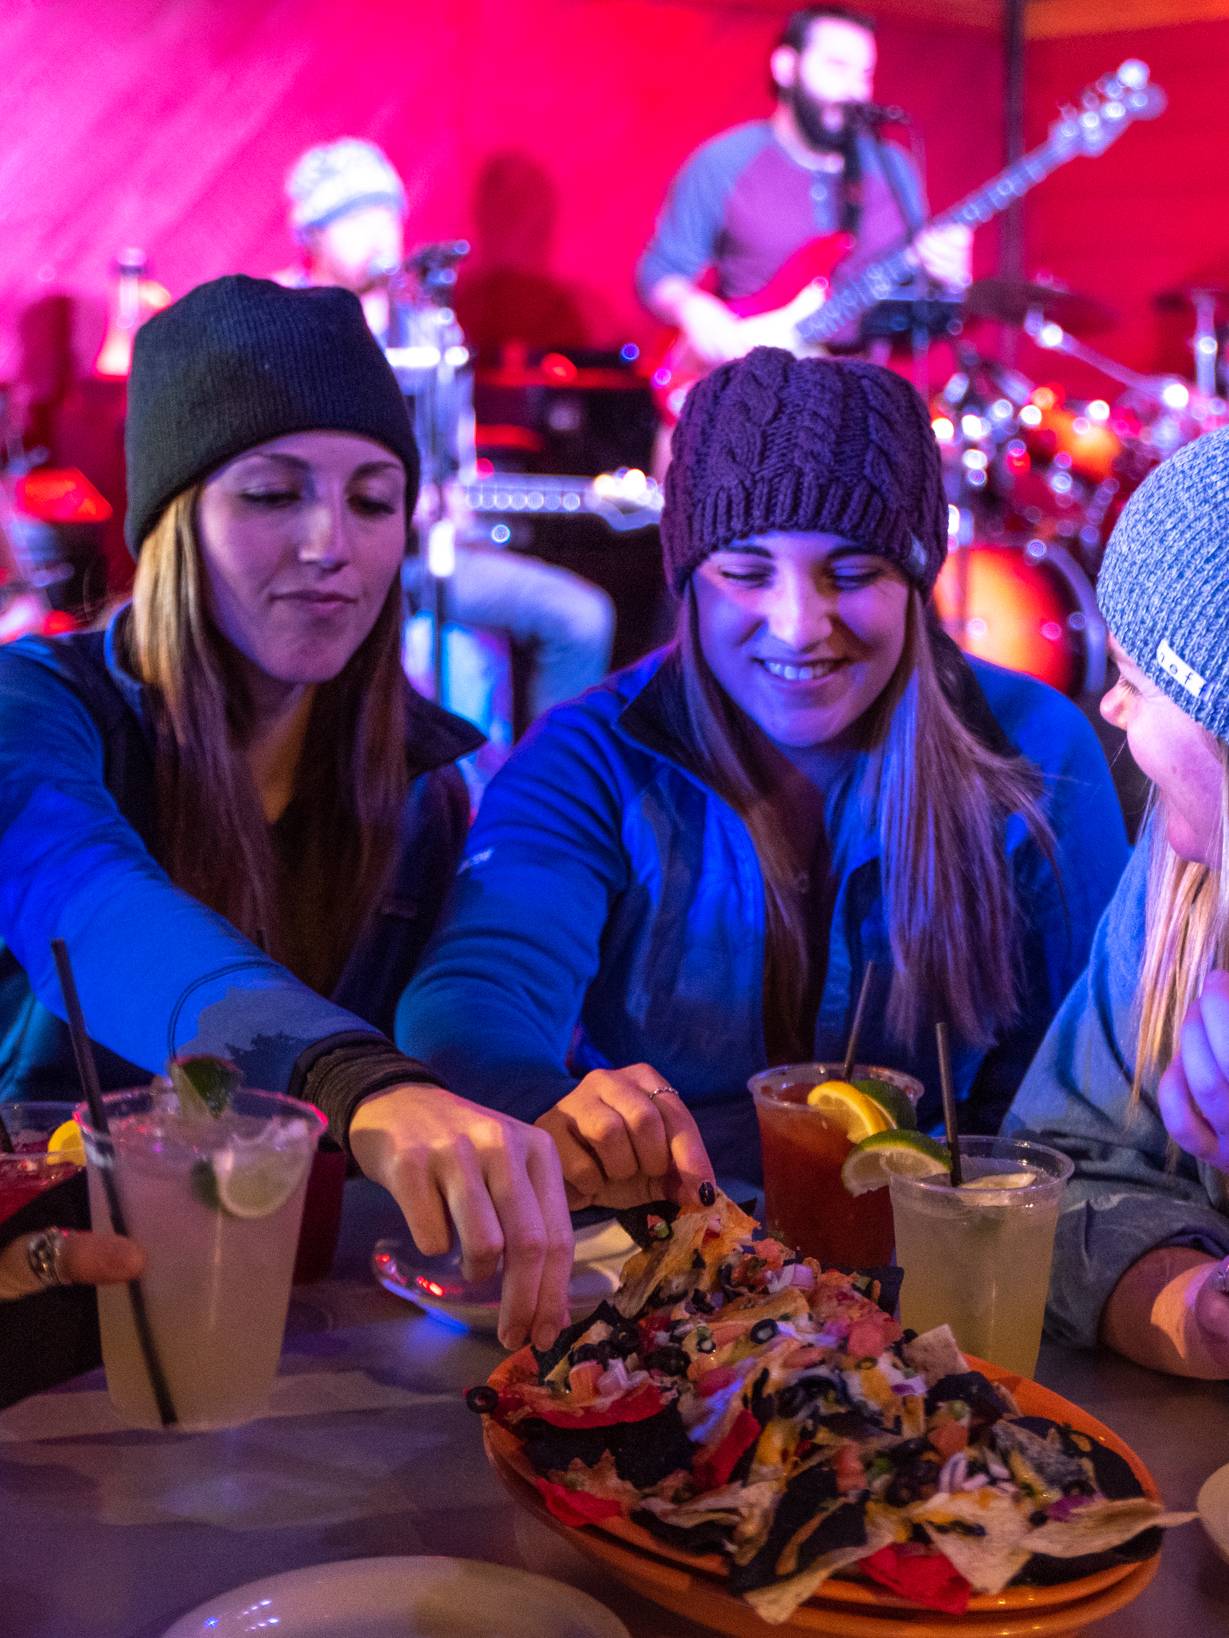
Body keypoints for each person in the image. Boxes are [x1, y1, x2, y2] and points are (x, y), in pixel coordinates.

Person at [0, 275, 584, 1351]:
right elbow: (90, 902)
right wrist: (350, 1084)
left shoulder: (420, 788)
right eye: (272, 494)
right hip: (39, 1327)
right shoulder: (33, 712)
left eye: (371, 500)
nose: (332, 544)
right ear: (175, 522)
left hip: (288, 1351)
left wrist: (552, 1106)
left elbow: (454, 1034)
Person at [397, 347, 1126, 1201]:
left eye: (852, 573)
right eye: (746, 573)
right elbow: (473, 993)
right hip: (665, 1246)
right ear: (688, 583)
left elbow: (1080, 1081)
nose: (797, 626)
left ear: (917, 581)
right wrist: (551, 1114)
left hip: (940, 1243)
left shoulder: (1034, 748)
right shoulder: (589, 753)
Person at [1005, 426, 1229, 1380]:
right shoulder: (1180, 864)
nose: (1109, 706)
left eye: (1136, 680)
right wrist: (1192, 1306)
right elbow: (1059, 1174)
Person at [280, 138, 616, 727]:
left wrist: (455, 503)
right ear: (311, 236)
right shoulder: (277, 323)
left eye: (385, 213)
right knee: (454, 668)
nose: (377, 233)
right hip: (321, 561)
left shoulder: (430, 330)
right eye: (352, 218)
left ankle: (541, 799)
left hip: (429, 560)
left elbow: (452, 463)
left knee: (582, 618)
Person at [637, 6, 971, 376]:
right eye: (836, 67)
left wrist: (948, 280)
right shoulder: (724, 162)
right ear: (785, 67)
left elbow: (917, 314)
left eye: (865, 74)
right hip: (752, 391)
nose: (854, 91)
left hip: (858, 399)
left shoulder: (892, 168)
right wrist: (692, 308)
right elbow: (661, 270)